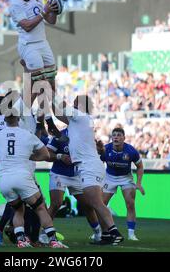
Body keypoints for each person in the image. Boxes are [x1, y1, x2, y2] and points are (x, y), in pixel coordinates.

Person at [0, 109, 68, 249]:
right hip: (22, 176)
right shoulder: (27, 134)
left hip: (4, 179)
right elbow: (45, 155)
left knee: (18, 210)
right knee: (40, 208)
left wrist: (1, 160)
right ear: (19, 119)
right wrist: (31, 157)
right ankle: (53, 240)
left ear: (5, 120)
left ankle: (21, 240)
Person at [55, 95, 124, 245]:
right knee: (95, 203)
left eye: (75, 103)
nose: (72, 105)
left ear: (80, 105)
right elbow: (58, 113)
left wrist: (50, 90)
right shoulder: (81, 120)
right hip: (90, 165)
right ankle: (106, 234)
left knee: (96, 202)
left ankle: (114, 232)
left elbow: (59, 107)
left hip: (88, 166)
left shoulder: (79, 116)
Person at [9, 0, 64, 140]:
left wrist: (54, 10)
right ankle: (46, 121)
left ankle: (40, 118)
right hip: (29, 45)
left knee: (51, 84)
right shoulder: (15, 4)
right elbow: (27, 26)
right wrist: (44, 11)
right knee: (40, 83)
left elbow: (51, 21)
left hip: (43, 43)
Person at [46, 128, 102, 242]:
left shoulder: (85, 134)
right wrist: (60, 156)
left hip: (77, 175)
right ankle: (43, 234)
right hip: (59, 174)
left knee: (88, 205)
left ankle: (98, 233)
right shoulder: (60, 134)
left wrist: (100, 150)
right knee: (56, 204)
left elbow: (95, 152)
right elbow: (47, 153)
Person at [97, 127, 145, 241]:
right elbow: (98, 163)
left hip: (126, 178)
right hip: (109, 177)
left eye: (119, 135)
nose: (116, 137)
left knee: (130, 204)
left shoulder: (131, 151)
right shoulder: (106, 149)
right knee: (101, 205)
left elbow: (140, 167)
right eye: (114, 135)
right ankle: (101, 233)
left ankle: (131, 234)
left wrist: (138, 183)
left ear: (124, 138)